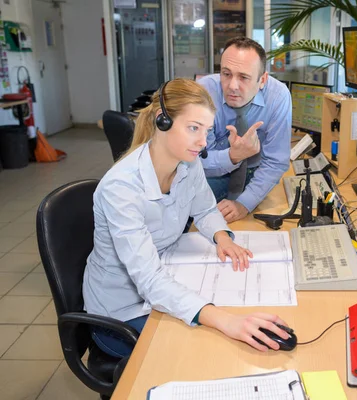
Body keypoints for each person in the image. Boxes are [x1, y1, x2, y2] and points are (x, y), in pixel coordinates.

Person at [83, 78, 290, 358]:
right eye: (193, 128)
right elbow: (148, 280)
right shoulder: (121, 188)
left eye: (206, 130)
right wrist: (226, 321)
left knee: (218, 336)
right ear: (162, 121)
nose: (202, 142)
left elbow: (205, 209)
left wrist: (221, 237)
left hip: (166, 274)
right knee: (207, 351)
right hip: (122, 313)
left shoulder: (187, 163)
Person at [198, 37, 292, 223]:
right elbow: (196, 160)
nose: (232, 85)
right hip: (211, 173)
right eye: (226, 74)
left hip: (256, 173)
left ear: (262, 79)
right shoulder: (204, 92)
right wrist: (233, 156)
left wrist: (244, 204)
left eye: (243, 77)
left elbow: (275, 162)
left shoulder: (278, 96)